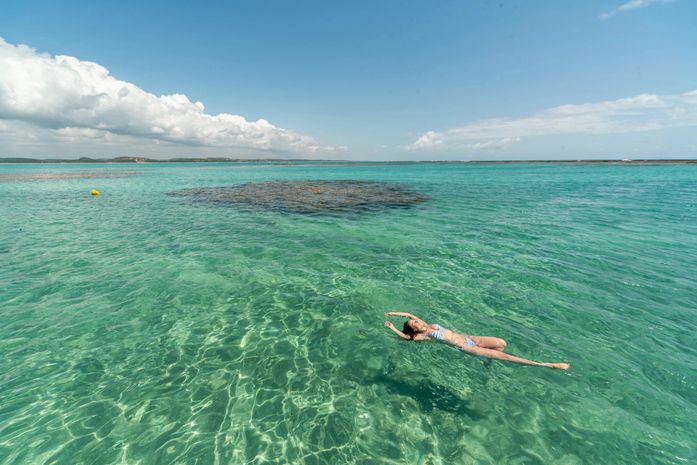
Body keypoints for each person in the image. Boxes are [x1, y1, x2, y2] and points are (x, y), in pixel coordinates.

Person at [384, 311, 570, 370]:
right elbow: (405, 337)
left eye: (416, 320)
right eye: (414, 323)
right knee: (505, 357)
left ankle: (489, 360)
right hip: (466, 347)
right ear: (415, 330)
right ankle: (546, 365)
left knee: (501, 343)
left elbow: (408, 314)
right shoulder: (422, 336)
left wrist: (394, 313)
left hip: (471, 338)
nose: (417, 321)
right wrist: (392, 327)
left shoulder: (428, 325)